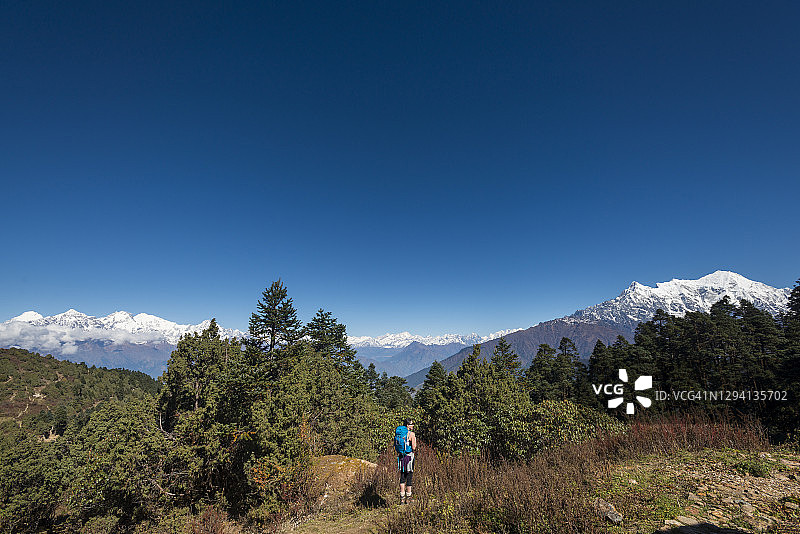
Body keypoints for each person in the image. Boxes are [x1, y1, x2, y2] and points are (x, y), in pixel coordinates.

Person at [395, 418, 417, 504]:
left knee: (402, 477)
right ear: (407, 425)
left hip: (401, 457)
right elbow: (414, 447)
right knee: (409, 477)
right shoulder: (411, 434)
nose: (413, 425)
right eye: (411, 424)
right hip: (409, 457)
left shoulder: (400, 434)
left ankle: (402, 498)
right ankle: (408, 497)